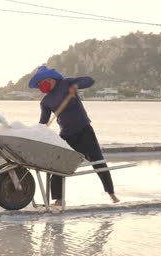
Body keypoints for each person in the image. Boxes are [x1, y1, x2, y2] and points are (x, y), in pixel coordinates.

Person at [29, 65, 119, 205]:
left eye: (42, 82)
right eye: (39, 84)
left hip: (84, 131)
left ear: (50, 79)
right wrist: (36, 132)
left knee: (98, 162)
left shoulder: (66, 83)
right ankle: (58, 200)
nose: (41, 85)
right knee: (58, 166)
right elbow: (43, 123)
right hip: (66, 136)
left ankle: (112, 194)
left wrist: (76, 85)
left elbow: (89, 80)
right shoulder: (45, 101)